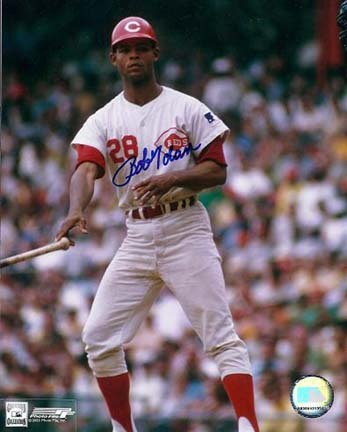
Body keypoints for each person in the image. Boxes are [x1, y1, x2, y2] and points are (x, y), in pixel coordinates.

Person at [56, 16, 260, 432]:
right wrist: (76, 208)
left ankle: (248, 424)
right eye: (126, 50)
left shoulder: (185, 107)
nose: (134, 55)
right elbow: (86, 169)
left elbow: (217, 171)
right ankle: (123, 428)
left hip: (185, 226)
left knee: (220, 335)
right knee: (98, 338)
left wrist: (173, 178)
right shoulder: (103, 119)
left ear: (155, 53)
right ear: (113, 58)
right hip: (138, 234)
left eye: (141, 48)